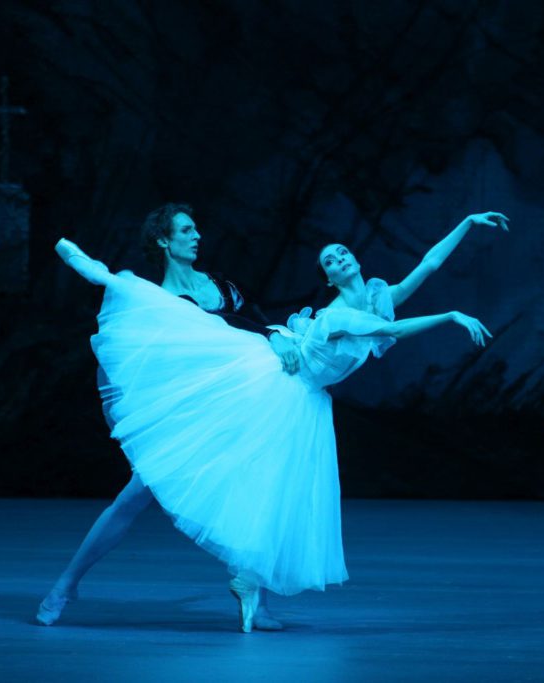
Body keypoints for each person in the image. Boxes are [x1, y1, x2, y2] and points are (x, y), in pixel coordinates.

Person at [53, 209, 509, 632]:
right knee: (142, 490)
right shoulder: (338, 314)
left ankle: (253, 592)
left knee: (275, 491)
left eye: (343, 252)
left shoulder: (374, 298)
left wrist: (467, 222)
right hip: (253, 382)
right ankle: (67, 583)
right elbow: (388, 332)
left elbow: (426, 266)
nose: (341, 257)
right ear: (327, 277)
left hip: (294, 392)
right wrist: (451, 314)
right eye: (331, 258)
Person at [36, 204, 298, 630]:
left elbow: (257, 323)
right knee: (134, 497)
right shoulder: (154, 300)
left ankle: (255, 598)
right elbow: (139, 358)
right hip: (190, 416)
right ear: (163, 240)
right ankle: (67, 584)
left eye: (197, 229)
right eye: (186, 230)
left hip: (236, 408)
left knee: (257, 491)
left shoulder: (222, 287)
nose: (197, 236)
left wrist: (278, 337)